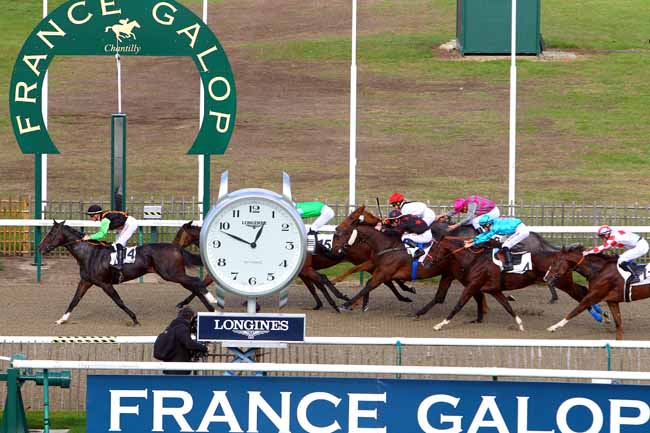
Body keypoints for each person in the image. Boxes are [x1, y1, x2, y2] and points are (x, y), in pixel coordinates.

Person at [82, 204, 138, 274]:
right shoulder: (103, 217)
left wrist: (89, 237)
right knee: (116, 245)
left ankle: (120, 265)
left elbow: (102, 234)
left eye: (91, 216)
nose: (91, 218)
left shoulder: (105, 220)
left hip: (130, 224)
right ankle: (120, 261)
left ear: (96, 215)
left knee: (119, 243)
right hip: (126, 224)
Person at [583, 225, 649, 284]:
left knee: (621, 260)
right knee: (622, 258)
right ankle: (636, 271)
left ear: (607, 234)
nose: (602, 238)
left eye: (602, 236)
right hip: (638, 245)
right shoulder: (613, 233)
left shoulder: (614, 237)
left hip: (640, 246)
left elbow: (604, 247)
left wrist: (588, 252)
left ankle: (634, 277)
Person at [464, 214, 530, 272]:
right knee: (504, 242)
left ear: (488, 224)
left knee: (505, 245)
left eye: (483, 226)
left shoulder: (494, 228)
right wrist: (473, 240)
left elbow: (486, 237)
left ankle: (509, 265)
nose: (483, 228)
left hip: (521, 231)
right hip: (518, 228)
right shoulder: (493, 223)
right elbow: (485, 233)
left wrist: (472, 244)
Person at [157, 307, 208, 375]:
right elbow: (189, 344)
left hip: (170, 365)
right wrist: (204, 348)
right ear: (191, 318)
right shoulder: (181, 328)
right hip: (178, 368)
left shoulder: (172, 327)